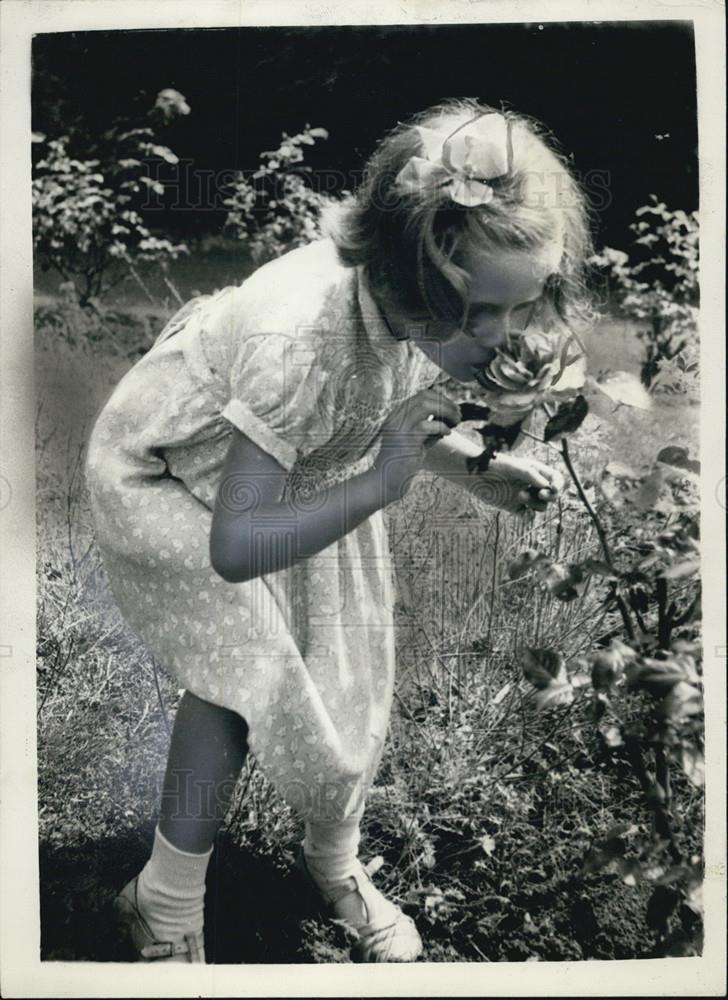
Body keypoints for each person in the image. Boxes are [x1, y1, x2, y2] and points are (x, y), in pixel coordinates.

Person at [85, 98, 595, 964]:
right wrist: (380, 482)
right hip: (177, 483)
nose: (504, 338)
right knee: (241, 673)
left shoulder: (407, 307)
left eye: (520, 310)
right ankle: (162, 899)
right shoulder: (301, 335)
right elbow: (238, 548)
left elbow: (380, 410)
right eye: (480, 316)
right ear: (408, 278)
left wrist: (481, 467)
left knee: (352, 670)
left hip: (307, 475)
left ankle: (335, 865)